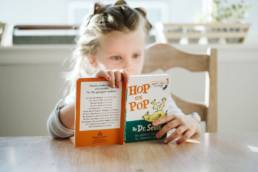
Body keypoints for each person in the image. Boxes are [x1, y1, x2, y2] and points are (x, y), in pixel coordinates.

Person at [47, 0, 201, 144]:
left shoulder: (154, 92)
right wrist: (90, 97)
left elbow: (184, 125)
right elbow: (55, 129)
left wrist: (190, 123)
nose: (129, 66)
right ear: (92, 59)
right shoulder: (88, 90)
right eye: (116, 57)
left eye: (136, 55)